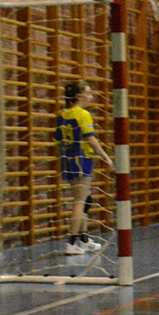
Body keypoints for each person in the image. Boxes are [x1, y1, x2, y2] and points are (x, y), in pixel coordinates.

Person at [55, 82, 114, 255]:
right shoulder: (83, 114)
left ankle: (84, 239)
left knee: (85, 199)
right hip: (81, 158)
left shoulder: (62, 115)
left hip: (68, 159)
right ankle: (72, 242)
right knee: (79, 201)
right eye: (88, 93)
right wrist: (106, 157)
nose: (91, 97)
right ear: (79, 96)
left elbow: (58, 140)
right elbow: (91, 139)